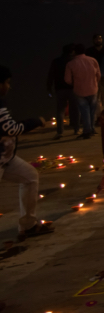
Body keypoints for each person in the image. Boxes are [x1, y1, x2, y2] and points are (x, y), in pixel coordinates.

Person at [0, 65, 51, 238]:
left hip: (6, 159)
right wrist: (35, 122)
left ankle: (28, 225)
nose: (8, 87)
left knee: (30, 176)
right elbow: (11, 129)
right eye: (7, 82)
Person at [64, 44, 100, 139]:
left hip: (79, 90)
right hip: (93, 89)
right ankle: (92, 129)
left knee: (84, 111)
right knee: (92, 111)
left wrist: (74, 83)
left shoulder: (71, 64)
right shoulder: (93, 60)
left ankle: (87, 131)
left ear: (74, 52)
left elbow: (67, 80)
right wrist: (94, 82)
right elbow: (98, 75)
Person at [47, 44, 78, 139]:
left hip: (59, 88)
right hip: (72, 88)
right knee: (75, 109)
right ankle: (76, 129)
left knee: (60, 110)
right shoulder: (74, 61)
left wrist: (49, 88)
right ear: (72, 51)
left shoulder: (56, 61)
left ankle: (60, 132)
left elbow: (51, 75)